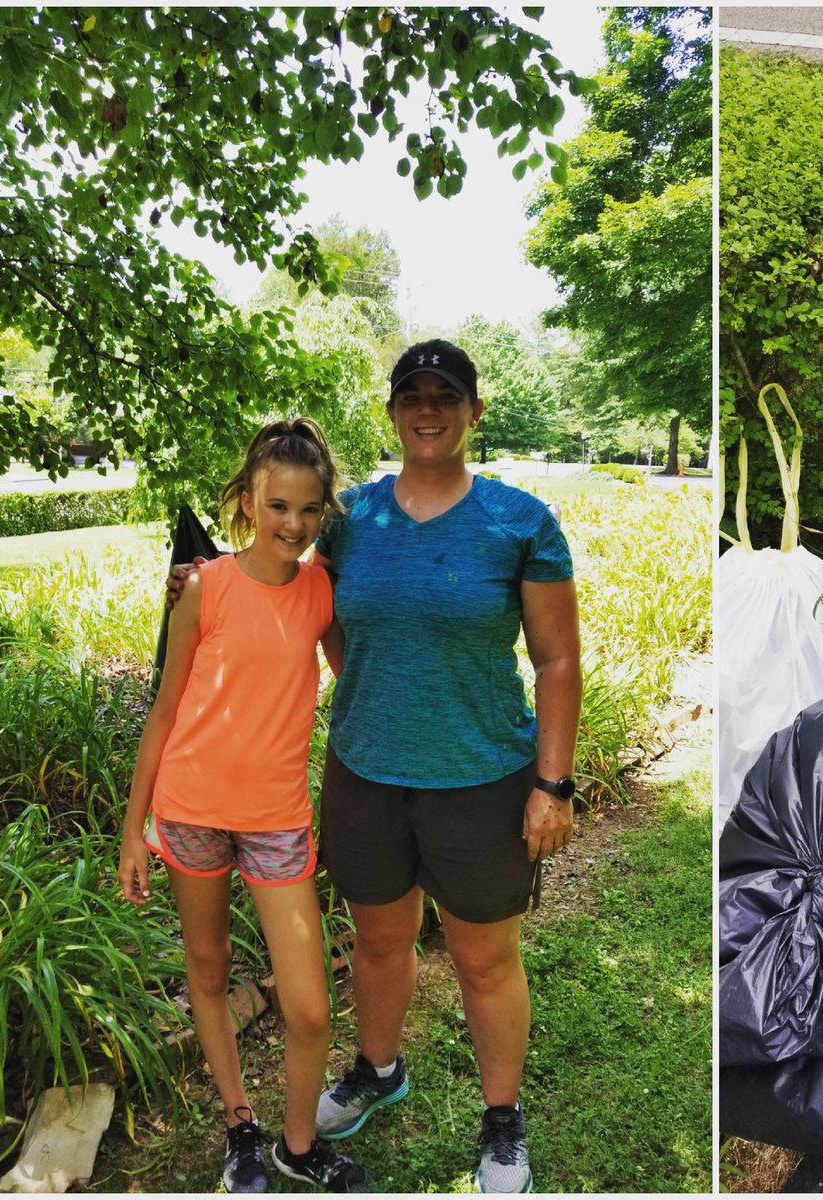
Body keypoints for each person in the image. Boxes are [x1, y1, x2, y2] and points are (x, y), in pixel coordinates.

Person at [169, 339, 582, 1192]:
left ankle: (501, 1121)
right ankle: (377, 1071)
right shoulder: (351, 519)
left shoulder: (520, 521)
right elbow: (275, 578)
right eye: (412, 396)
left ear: (473, 412)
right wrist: (197, 577)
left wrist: (552, 783)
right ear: (393, 413)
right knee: (381, 944)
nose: (428, 409)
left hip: (480, 779)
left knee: (484, 960)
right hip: (366, 776)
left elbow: (555, 661)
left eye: (446, 396)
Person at [121, 419, 365, 1194]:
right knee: (210, 966)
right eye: (277, 506)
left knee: (310, 1009)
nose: (291, 524)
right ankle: (240, 1126)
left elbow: (356, 676)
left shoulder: (322, 592)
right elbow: (163, 714)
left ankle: (299, 1145)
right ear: (249, 501)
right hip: (190, 811)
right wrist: (135, 830)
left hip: (277, 821)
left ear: (323, 511)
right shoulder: (203, 587)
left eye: (308, 510)